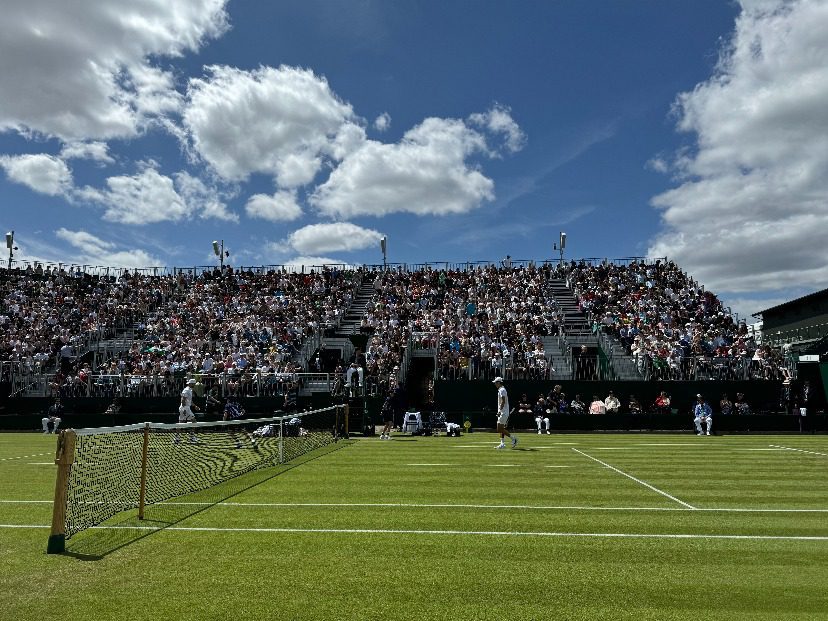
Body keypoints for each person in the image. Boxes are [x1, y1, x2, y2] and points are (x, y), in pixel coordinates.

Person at [492, 377, 517, 449]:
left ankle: (514, 439)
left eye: (496, 382)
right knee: (501, 428)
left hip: (503, 412)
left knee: (499, 429)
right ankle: (502, 443)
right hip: (503, 412)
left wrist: (499, 411)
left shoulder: (502, 390)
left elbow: (503, 401)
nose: (495, 384)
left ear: (499, 382)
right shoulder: (501, 390)